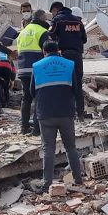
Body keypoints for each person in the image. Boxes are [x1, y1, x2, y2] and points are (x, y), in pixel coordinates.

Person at [31, 40, 83, 191]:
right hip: (66, 112)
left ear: (43, 51)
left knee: (48, 149)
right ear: (58, 50)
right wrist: (79, 111)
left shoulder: (37, 66)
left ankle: (47, 183)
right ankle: (78, 180)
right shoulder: (69, 64)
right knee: (71, 148)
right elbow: (76, 89)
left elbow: (31, 92)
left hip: (45, 113)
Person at [48, 2, 87, 118]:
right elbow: (84, 39)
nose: (52, 15)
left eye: (52, 13)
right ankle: (80, 113)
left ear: (56, 10)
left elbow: (50, 34)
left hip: (64, 55)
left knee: (64, 84)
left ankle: (66, 113)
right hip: (77, 56)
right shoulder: (78, 21)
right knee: (78, 85)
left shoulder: (57, 20)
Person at [15, 9, 50, 135]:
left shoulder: (23, 32)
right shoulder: (42, 31)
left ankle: (24, 127)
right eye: (45, 18)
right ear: (41, 18)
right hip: (37, 69)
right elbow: (47, 52)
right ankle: (36, 129)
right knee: (38, 98)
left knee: (26, 98)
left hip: (23, 69)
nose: (47, 21)